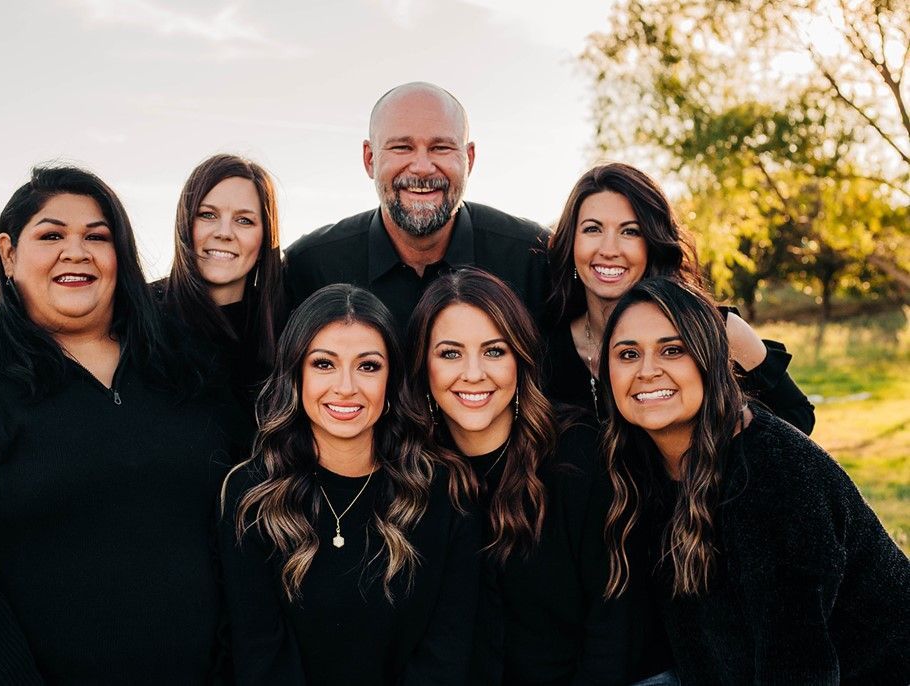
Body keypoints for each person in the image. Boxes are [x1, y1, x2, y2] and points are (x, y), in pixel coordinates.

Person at [0, 166, 236, 684]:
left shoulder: (178, 362)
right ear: (8, 252)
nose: (76, 251)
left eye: (97, 237)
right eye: (51, 235)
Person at [601, 277, 910, 683]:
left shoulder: (773, 475)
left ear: (709, 360)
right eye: (627, 354)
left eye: (672, 350)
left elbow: (800, 668)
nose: (647, 371)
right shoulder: (643, 465)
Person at [406, 267, 658, 685]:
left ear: (520, 358)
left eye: (494, 351)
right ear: (423, 366)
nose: (473, 373)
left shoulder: (577, 454)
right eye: (450, 354)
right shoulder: (414, 474)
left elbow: (614, 621)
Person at [219, 284, 481, 686]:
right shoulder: (252, 494)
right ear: (296, 374)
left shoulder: (444, 491)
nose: (346, 386)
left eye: (368, 366)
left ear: (391, 381)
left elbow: (446, 650)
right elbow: (260, 655)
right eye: (324, 364)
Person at [546, 162, 815, 433]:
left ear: (652, 243)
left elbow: (796, 417)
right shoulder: (546, 347)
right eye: (593, 229)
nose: (609, 249)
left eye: (630, 231)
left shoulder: (717, 329)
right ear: (571, 242)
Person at [284, 81, 550, 332]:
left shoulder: (533, 260)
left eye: (441, 147)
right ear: (370, 159)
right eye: (401, 147)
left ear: (469, 159)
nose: (422, 167)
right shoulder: (310, 268)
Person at [160, 153, 285, 419]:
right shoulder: (139, 316)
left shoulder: (285, 328)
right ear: (185, 224)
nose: (224, 232)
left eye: (244, 220)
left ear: (265, 238)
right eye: (207, 215)